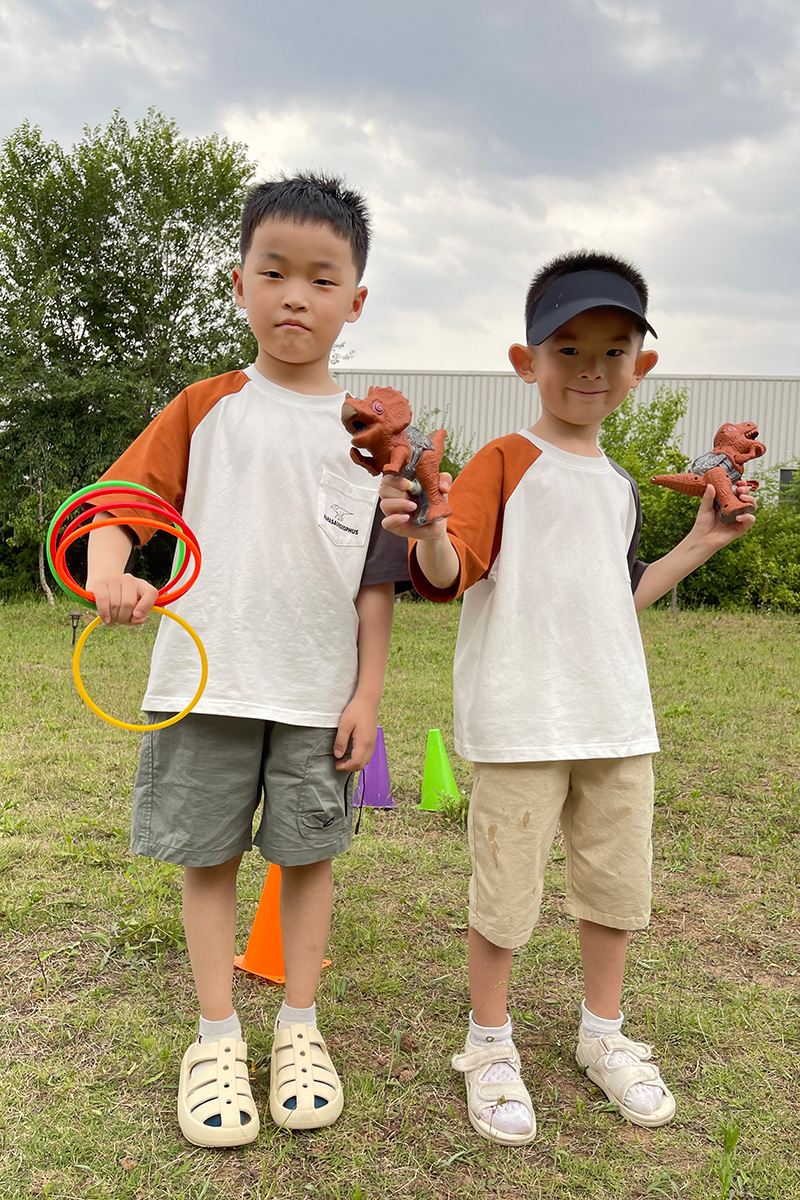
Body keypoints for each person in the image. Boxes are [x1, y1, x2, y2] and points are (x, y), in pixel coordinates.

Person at [379, 250, 756, 1145]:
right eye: (568, 347)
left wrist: (702, 542)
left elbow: (616, 599)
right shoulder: (507, 461)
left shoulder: (620, 483)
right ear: (526, 362)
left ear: (642, 367)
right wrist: (428, 529)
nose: (592, 367)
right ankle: (490, 1044)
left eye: (615, 350)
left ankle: (604, 1035)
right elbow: (449, 568)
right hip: (519, 723)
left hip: (617, 719)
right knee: (505, 895)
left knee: (614, 891)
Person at [86, 172, 409, 1146]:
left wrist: (367, 693)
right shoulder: (204, 406)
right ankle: (216, 1036)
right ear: (239, 284)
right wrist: (114, 576)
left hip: (319, 696)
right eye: (273, 273)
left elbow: (375, 579)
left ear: (354, 301)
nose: (294, 296)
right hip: (206, 681)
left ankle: (299, 1028)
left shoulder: (370, 438)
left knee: (307, 857)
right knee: (209, 857)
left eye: (320, 278)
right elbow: (118, 508)